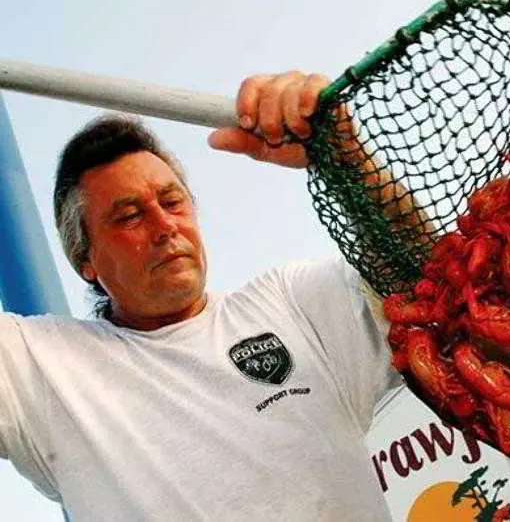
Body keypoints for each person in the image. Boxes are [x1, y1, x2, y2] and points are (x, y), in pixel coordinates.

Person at [0, 72, 401, 521]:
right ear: (84, 259)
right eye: (130, 216)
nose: (165, 226)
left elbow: (419, 275)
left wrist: (348, 161)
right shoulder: (38, 370)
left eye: (173, 202)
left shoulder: (294, 304)